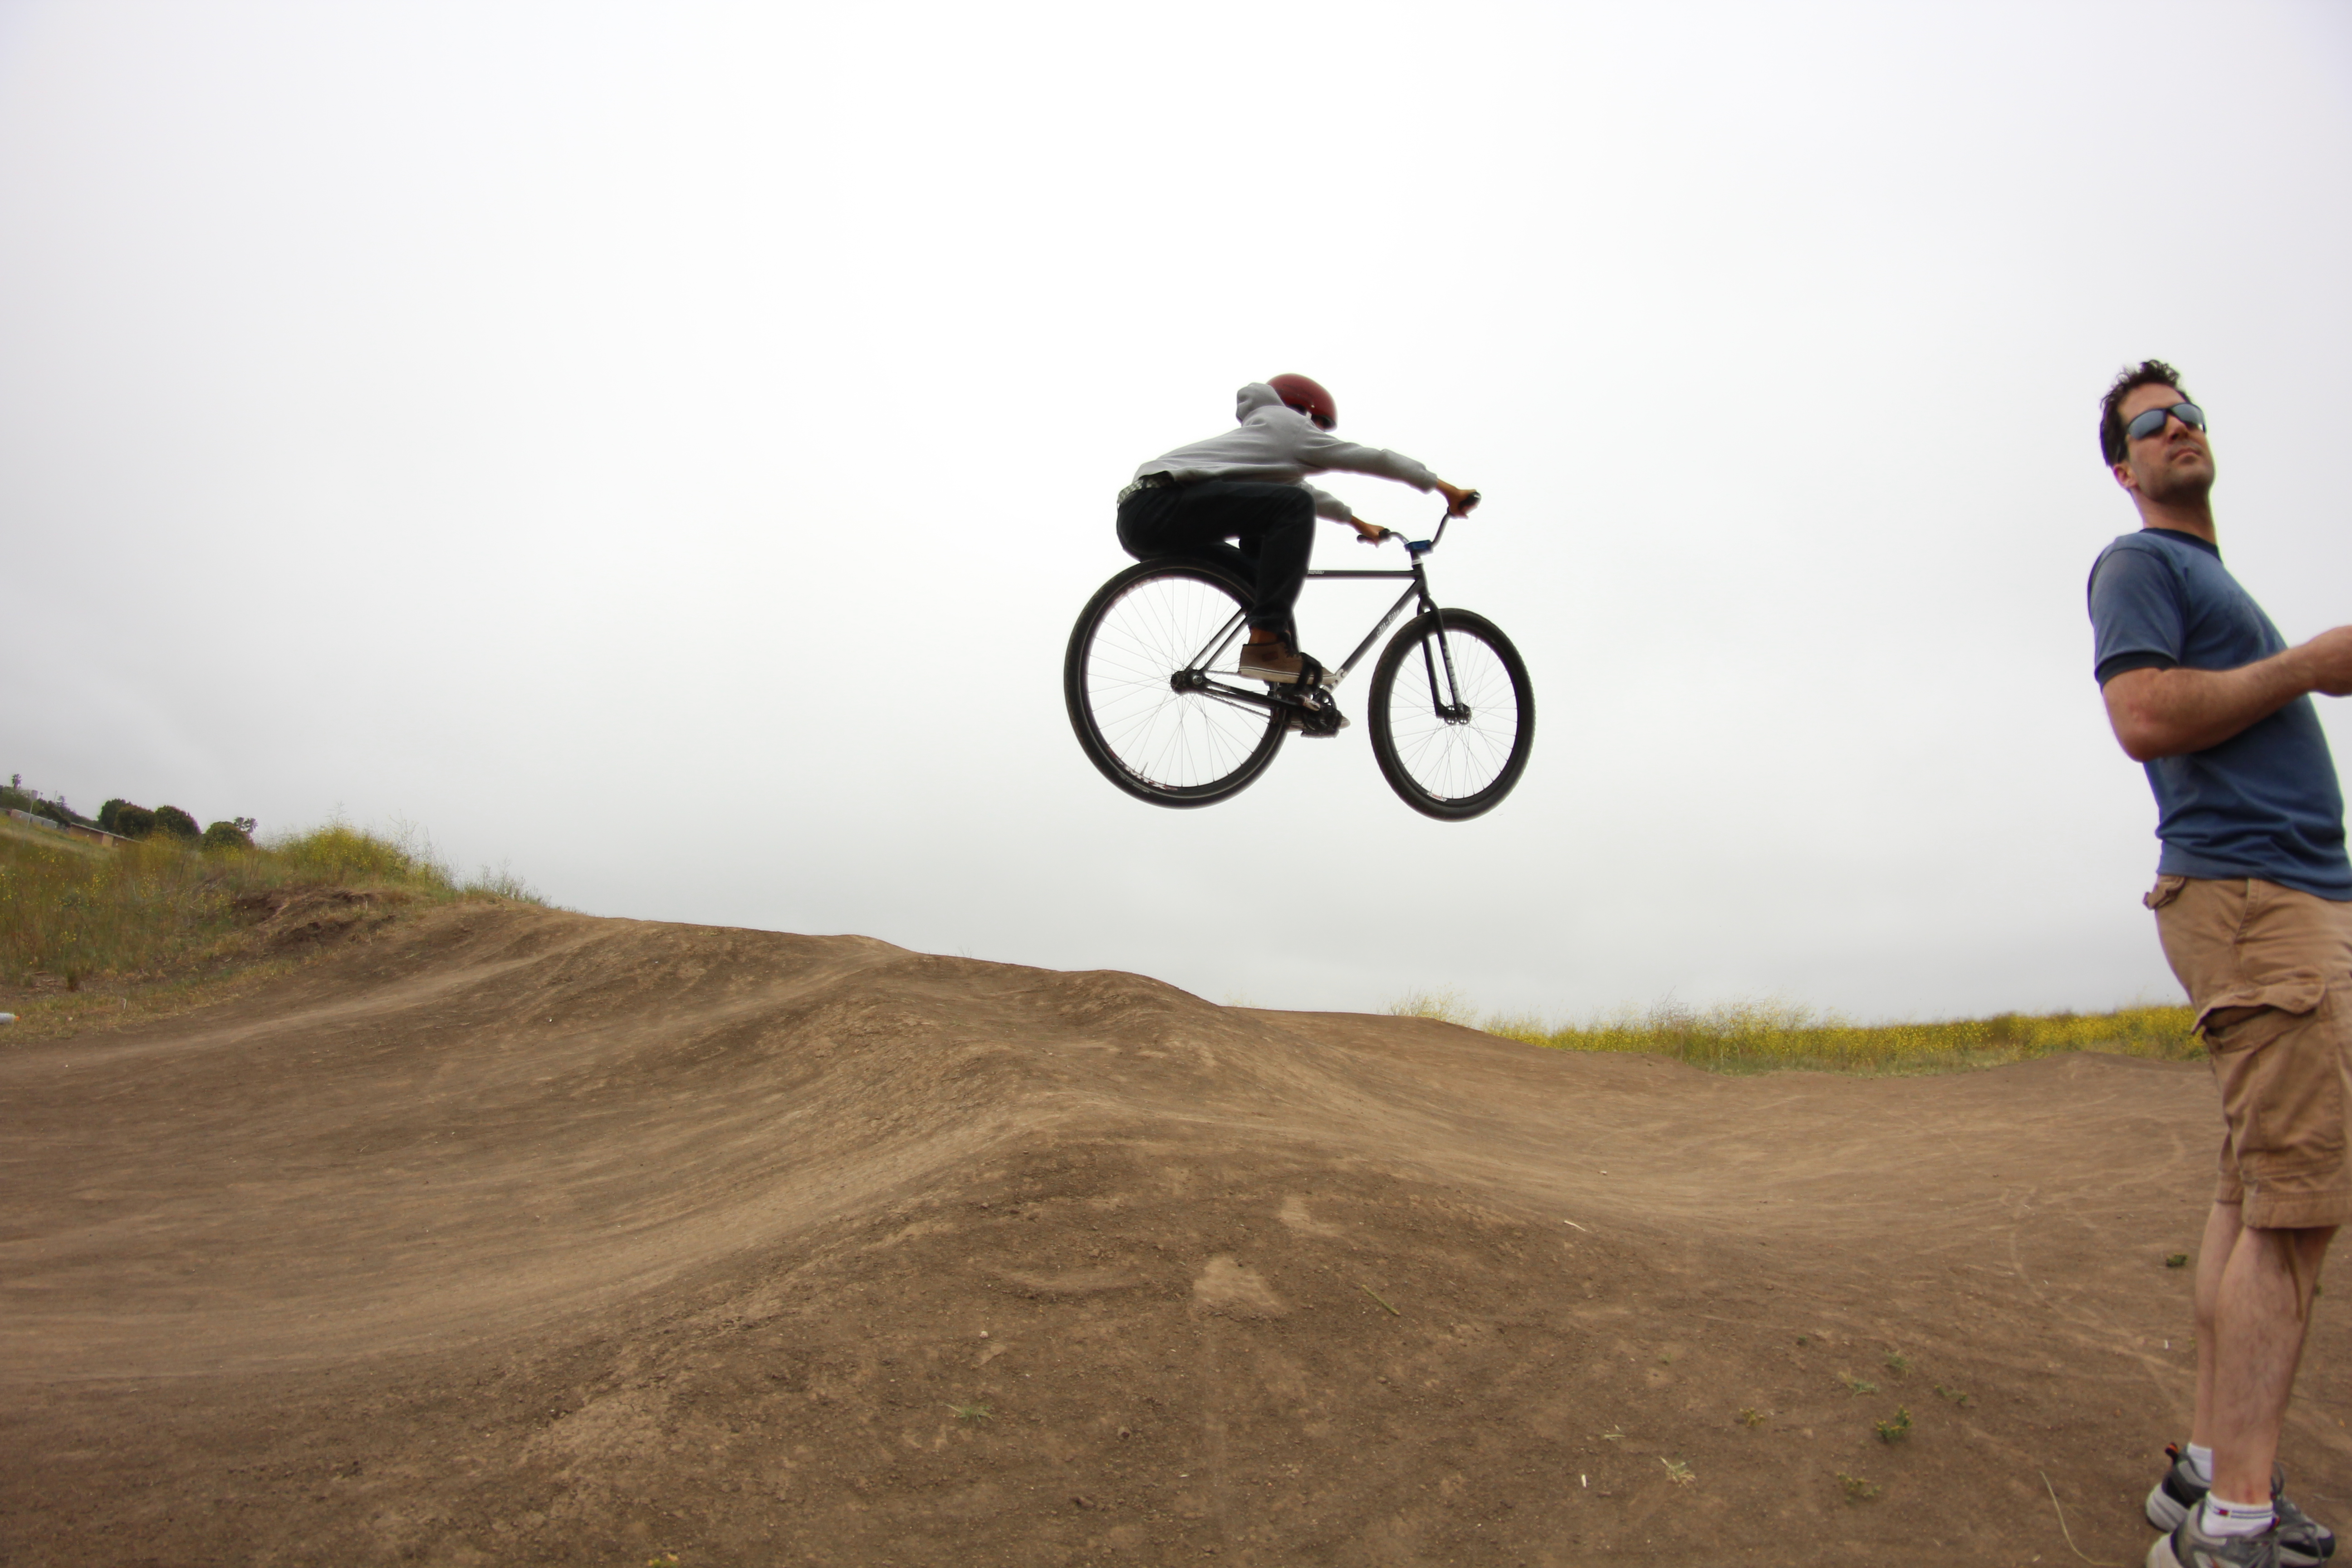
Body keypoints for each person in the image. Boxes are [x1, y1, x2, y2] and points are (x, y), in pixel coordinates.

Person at [2086, 359, 2352, 1568]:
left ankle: (2207, 1470)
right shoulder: (2139, 563)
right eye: (2153, 421)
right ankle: (2237, 1524)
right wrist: (2306, 666)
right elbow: (2142, 716)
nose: (2180, 426)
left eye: (2189, 411)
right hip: (2259, 897)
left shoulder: (2208, 576)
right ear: (2124, 465)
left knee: (2253, 1197)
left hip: (2267, 895)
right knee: (2297, 1211)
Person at [1116, 375, 1476, 688]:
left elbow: (1308, 493)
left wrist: (1356, 522)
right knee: (1293, 508)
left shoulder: (1262, 445)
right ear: (1302, 412)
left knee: (1263, 580)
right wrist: (1445, 488)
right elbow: (1372, 458)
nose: (1318, 435)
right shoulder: (1287, 424)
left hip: (1144, 522)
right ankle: (1264, 646)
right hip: (1157, 504)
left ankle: (1286, 692)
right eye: (1319, 425)